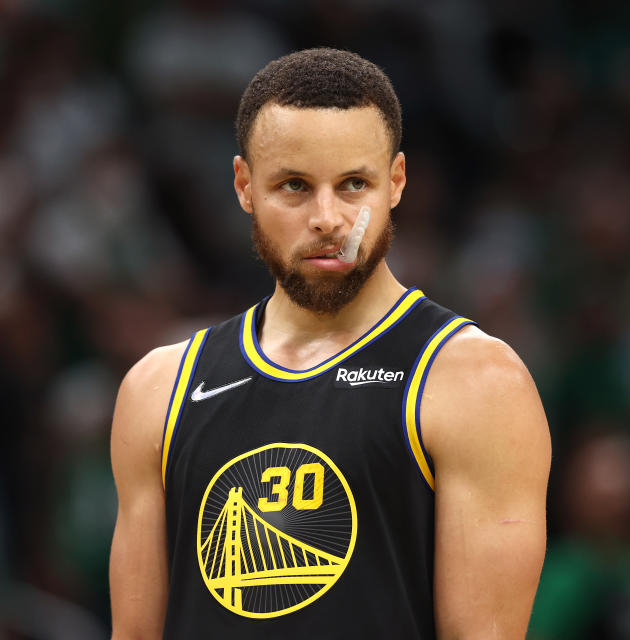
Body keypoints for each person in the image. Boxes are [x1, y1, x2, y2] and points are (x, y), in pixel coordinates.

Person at [108, 47, 551, 639]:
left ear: (395, 182)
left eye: (353, 185)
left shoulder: (477, 383)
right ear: (244, 186)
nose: (327, 219)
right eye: (294, 186)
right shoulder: (158, 389)